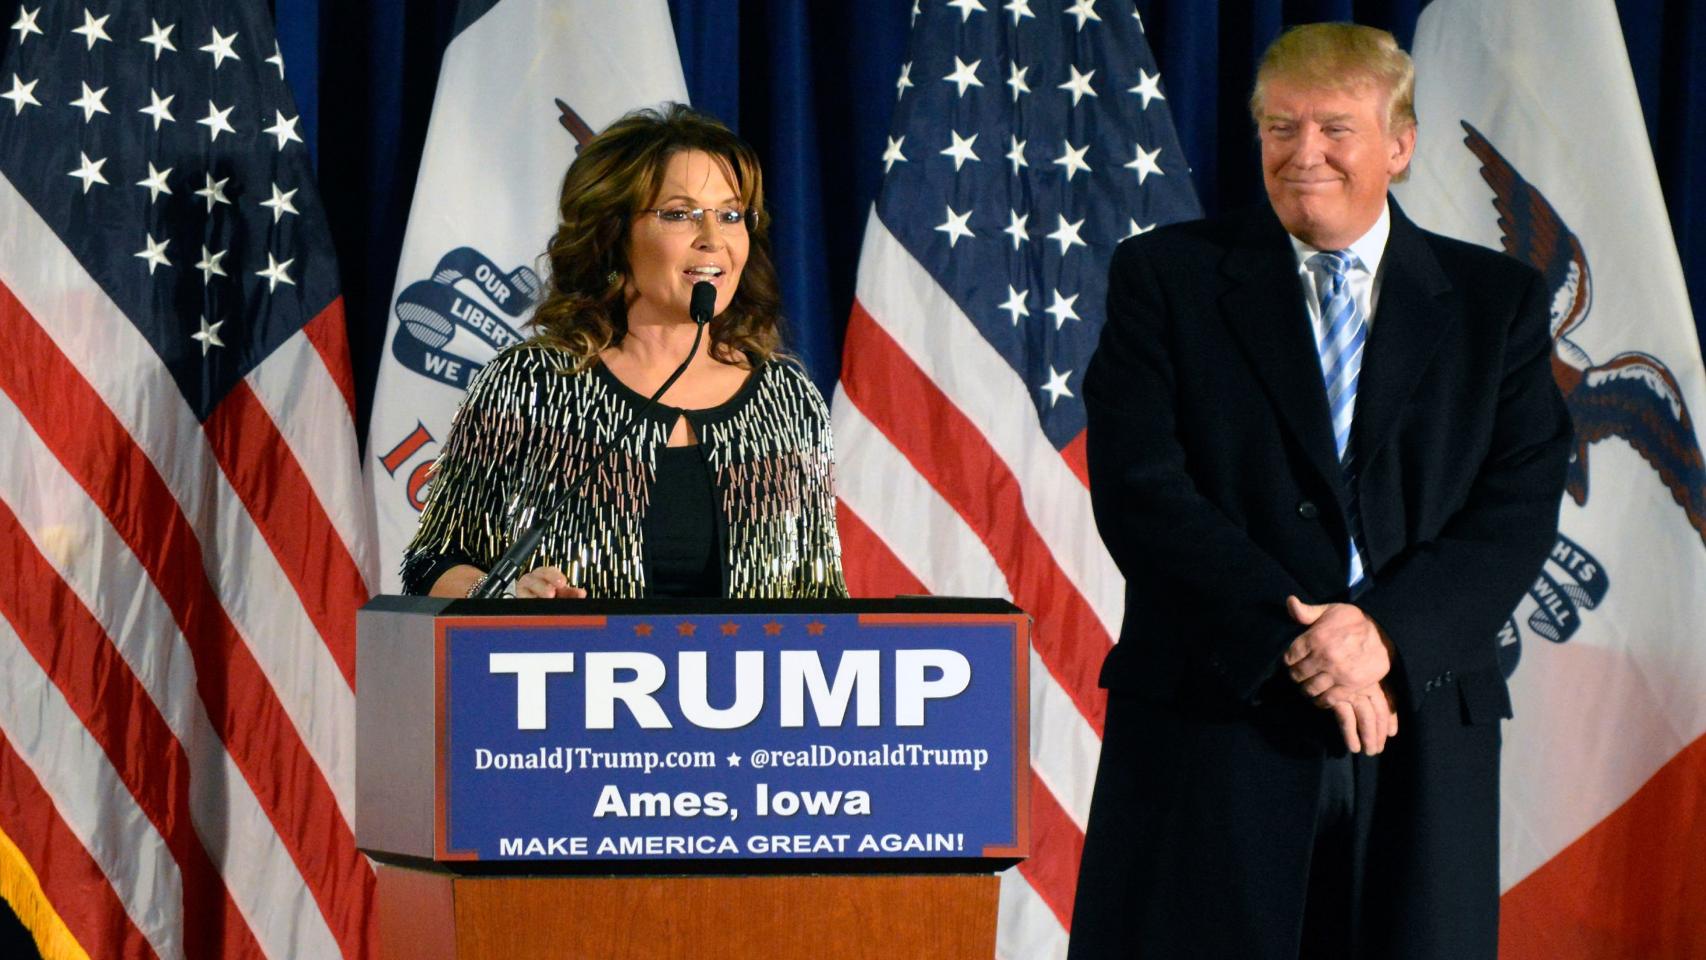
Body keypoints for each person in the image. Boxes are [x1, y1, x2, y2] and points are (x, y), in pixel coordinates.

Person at [1068, 23, 1570, 960]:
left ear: (1400, 145)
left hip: (1416, 722)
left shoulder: (1495, 301)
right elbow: (1141, 489)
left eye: (1336, 128)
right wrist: (1298, 640)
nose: (1305, 154)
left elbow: (1517, 504)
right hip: (1217, 712)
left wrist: (1382, 635)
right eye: (1281, 127)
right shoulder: (1165, 278)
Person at [402, 104, 846, 601]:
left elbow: (822, 596)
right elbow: (431, 561)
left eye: (730, 215)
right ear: (614, 234)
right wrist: (508, 599)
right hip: (565, 656)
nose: (713, 240)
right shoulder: (529, 385)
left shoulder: (786, 400)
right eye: (679, 214)